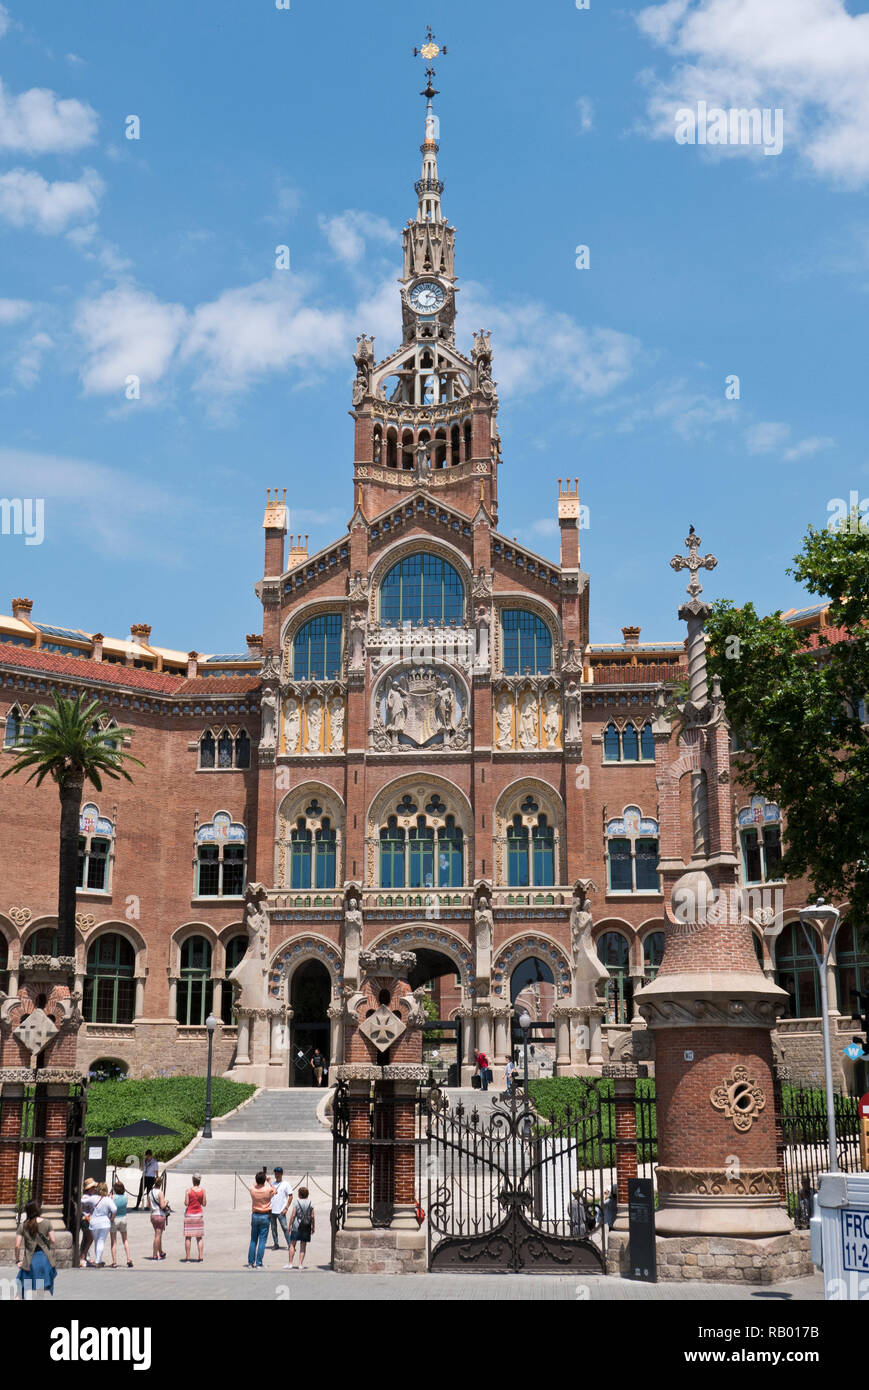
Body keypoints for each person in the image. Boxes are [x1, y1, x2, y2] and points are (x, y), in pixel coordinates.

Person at [15, 1200, 56, 1299]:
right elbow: (53, 1240)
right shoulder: (47, 1223)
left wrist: (17, 1260)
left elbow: (17, 1246)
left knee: (22, 1288)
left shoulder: (23, 1225)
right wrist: (46, 1244)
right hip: (44, 1259)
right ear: (38, 1210)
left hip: (29, 1261)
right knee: (40, 1290)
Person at [246, 1170, 275, 1269]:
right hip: (265, 1215)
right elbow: (275, 1190)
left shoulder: (252, 1190)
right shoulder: (268, 1190)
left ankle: (250, 1262)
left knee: (253, 1240)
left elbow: (253, 1186)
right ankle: (259, 1262)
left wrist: (259, 1180)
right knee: (262, 1240)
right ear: (264, 1181)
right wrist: (269, 1181)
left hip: (255, 1215)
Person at [285, 1186, 314, 1270]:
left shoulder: (296, 1202)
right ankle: (300, 1264)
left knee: (292, 1244)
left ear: (299, 1194)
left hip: (296, 1226)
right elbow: (312, 1216)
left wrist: (290, 1225)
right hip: (306, 1226)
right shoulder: (310, 1203)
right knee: (303, 1245)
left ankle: (290, 1263)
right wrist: (313, 1226)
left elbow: (293, 1215)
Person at [109, 1179, 133, 1267]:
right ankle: (128, 1258)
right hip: (123, 1218)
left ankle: (114, 1262)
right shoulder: (125, 1197)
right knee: (125, 1240)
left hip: (114, 1219)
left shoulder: (112, 1197)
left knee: (113, 1241)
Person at [183, 1174, 206, 1262]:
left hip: (189, 1214)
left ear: (193, 1180)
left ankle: (188, 1257)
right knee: (199, 1237)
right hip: (198, 1214)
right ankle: (200, 1257)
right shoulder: (203, 1191)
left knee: (188, 1237)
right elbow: (204, 1204)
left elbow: (186, 1203)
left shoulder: (188, 1190)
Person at [268, 1167, 293, 1250]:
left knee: (285, 1228)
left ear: (282, 1174)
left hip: (281, 1210)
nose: (277, 1174)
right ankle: (276, 1244)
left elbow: (290, 1196)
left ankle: (290, 1244)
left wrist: (286, 1208)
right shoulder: (272, 1184)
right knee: (273, 1228)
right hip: (272, 1210)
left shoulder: (286, 1184)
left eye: (278, 1173)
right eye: (276, 1173)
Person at [148, 1173, 170, 1260]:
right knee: (158, 1235)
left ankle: (160, 1251)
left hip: (153, 1214)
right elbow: (162, 1206)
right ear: (160, 1184)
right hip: (159, 1214)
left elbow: (148, 1205)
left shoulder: (150, 1192)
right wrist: (166, 1202)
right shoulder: (160, 1193)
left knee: (158, 1234)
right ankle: (155, 1254)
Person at [79, 1177, 97, 1268]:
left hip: (87, 1220)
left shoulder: (89, 1197)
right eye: (92, 1187)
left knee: (86, 1239)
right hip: (86, 1220)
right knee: (90, 1239)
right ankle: (83, 1257)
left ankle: (83, 1257)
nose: (94, 1189)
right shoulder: (86, 1197)